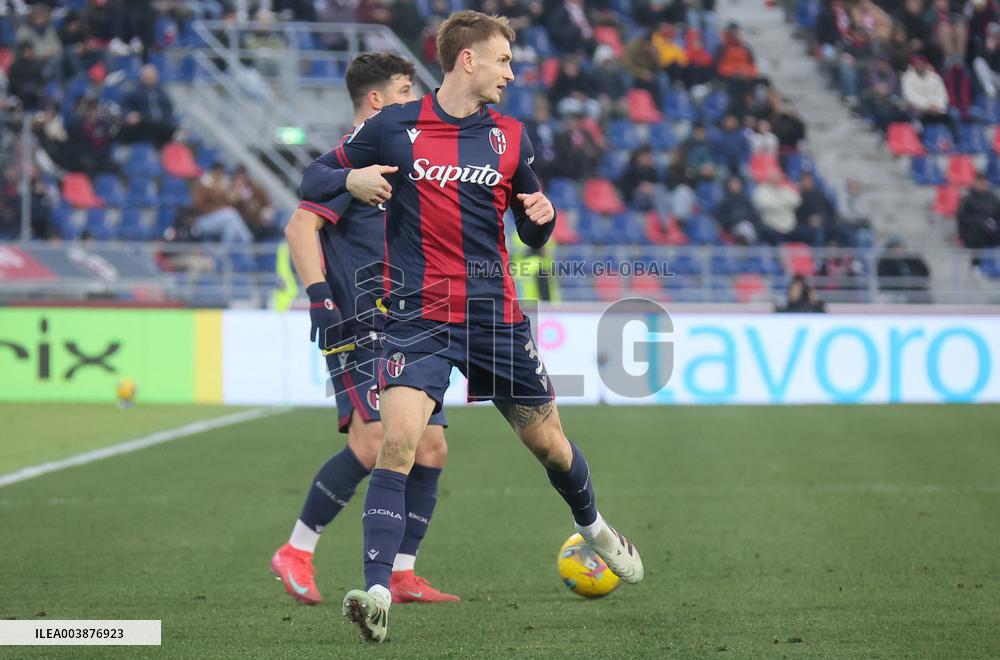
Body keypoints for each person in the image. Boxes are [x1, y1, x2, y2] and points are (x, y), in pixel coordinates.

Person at [299, 11, 644, 642]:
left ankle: (596, 529)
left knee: (551, 447)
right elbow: (315, 177)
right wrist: (350, 177)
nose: (512, 72)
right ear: (468, 61)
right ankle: (376, 594)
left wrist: (541, 217)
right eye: (504, 61)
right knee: (398, 443)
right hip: (416, 315)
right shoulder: (393, 126)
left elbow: (533, 231)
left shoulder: (511, 138)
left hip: (493, 317)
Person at [273, 53, 459, 608]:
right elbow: (300, 225)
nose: (416, 98)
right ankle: (297, 550)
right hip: (356, 321)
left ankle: (402, 573)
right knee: (374, 440)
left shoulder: (403, 155)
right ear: (376, 101)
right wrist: (319, 300)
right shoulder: (347, 162)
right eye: (406, 89)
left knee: (431, 447)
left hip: (409, 323)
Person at [120, 64, 178, 147]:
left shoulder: (161, 92)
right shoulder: (135, 92)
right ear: (142, 77)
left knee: (176, 132)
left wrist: (169, 119)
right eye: (147, 76)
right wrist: (129, 114)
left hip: (162, 124)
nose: (150, 79)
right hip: (144, 123)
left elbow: (169, 108)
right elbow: (125, 106)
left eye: (152, 76)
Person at [957, 171, 1000, 267]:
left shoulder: (993, 199)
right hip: (975, 233)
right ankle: (976, 267)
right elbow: (963, 218)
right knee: (978, 237)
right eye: (979, 182)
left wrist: (992, 224)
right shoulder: (967, 200)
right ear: (974, 183)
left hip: (992, 232)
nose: (982, 185)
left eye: (984, 182)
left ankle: (993, 267)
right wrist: (980, 222)